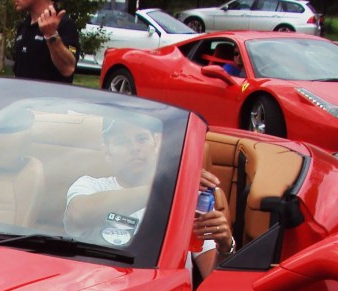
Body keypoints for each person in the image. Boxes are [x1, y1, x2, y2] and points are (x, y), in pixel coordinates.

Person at [65, 116, 233, 280]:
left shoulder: (190, 198)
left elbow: (214, 282)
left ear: (156, 144)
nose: (134, 148)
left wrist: (225, 247)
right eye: (122, 142)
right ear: (107, 151)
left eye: (142, 138)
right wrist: (170, 188)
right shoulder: (90, 186)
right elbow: (78, 214)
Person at [12, 0, 79, 84]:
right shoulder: (23, 26)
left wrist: (51, 35)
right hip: (24, 95)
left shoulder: (64, 24)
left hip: (50, 96)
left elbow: (68, 69)